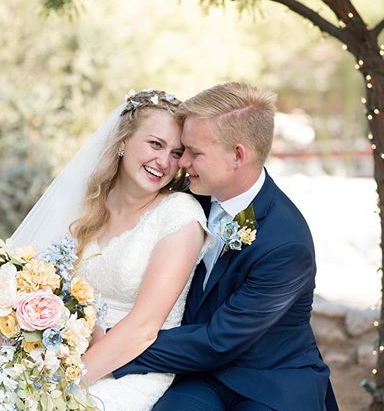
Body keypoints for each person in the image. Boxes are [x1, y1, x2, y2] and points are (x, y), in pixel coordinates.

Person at [0, 89, 213, 410]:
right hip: (62, 357)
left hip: (129, 371)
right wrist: (12, 321)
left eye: (176, 153)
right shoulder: (90, 205)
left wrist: (58, 384)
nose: (164, 162)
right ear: (123, 142)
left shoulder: (179, 214)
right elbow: (48, 284)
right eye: (155, 144)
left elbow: (142, 327)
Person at [110, 82, 339, 411]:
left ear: (238, 155)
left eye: (194, 152)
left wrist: (118, 346)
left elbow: (219, 340)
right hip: (201, 374)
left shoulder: (285, 242)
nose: (182, 162)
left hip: (270, 381)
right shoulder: (187, 197)